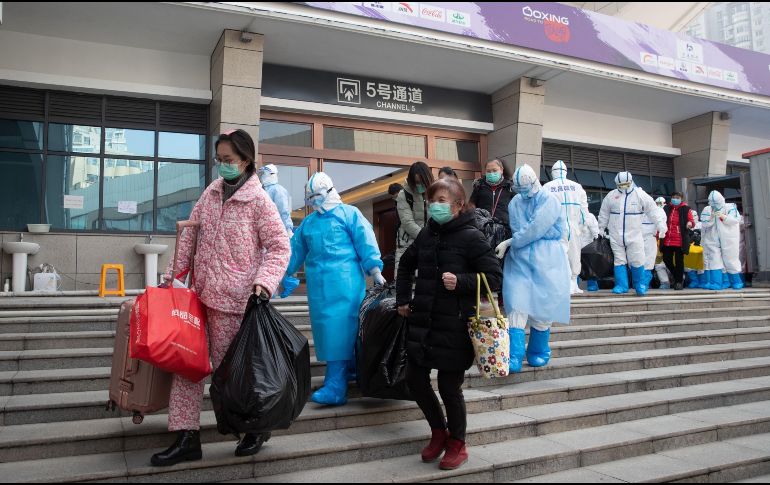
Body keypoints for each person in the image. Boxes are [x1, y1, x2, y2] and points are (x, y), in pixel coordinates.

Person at [151, 129, 291, 467]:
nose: (223, 166)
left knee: (233, 374)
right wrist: (172, 278)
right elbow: (190, 238)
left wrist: (264, 283)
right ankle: (187, 437)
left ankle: (253, 429)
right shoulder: (212, 193)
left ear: (245, 160)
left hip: (235, 302)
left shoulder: (259, 201)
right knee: (187, 367)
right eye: (219, 160)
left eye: (228, 160)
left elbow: (279, 246)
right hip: (198, 298)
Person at [396, 178, 501, 471]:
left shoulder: (472, 237)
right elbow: (405, 264)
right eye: (432, 200)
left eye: (441, 200)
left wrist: (462, 282)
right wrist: (403, 299)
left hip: (455, 325)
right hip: (423, 321)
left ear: (457, 205)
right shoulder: (427, 233)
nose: (435, 206)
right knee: (415, 379)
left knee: (448, 387)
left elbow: (494, 277)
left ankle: (458, 443)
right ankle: (438, 431)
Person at [284, 172, 384, 406]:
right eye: (310, 198)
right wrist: (281, 273)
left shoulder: (349, 214)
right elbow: (294, 251)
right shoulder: (309, 223)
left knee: (340, 329)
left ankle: (336, 386)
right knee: (327, 331)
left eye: (317, 196)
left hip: (346, 285)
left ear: (329, 191)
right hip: (319, 288)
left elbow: (365, 241)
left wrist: (375, 269)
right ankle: (350, 371)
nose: (314, 202)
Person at [495, 164, 570, 373]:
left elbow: (535, 228)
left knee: (542, 306)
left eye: (525, 188)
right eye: (519, 189)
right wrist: (515, 242)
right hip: (520, 257)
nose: (523, 193)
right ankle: (514, 355)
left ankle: (538, 351)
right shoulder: (515, 202)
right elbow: (522, 229)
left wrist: (510, 242)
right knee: (516, 302)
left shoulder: (550, 200)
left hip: (547, 257)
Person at [598, 172, 662, 296]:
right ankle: (621, 285)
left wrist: (660, 225)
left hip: (635, 234)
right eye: (620, 185)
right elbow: (604, 213)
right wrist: (601, 227)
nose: (623, 187)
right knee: (619, 260)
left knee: (637, 259)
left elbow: (653, 211)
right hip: (616, 234)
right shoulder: (611, 196)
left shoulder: (640, 195)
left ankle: (640, 285)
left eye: (626, 184)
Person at [542, 160, 589, 295]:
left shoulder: (547, 187)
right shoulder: (577, 186)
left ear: (553, 172)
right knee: (575, 256)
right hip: (574, 227)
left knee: (560, 256)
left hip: (557, 229)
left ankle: (565, 285)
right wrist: (583, 226)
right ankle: (574, 284)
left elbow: (544, 210)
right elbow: (584, 209)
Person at [395, 162, 434, 275]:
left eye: (423, 182)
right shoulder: (403, 195)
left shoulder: (436, 192)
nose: (420, 185)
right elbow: (407, 222)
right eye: (417, 182)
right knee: (407, 278)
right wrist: (426, 237)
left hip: (431, 240)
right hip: (408, 241)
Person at [700, 190, 744, 290]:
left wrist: (723, 216)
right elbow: (704, 223)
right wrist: (711, 217)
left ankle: (736, 281)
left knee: (730, 259)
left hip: (728, 238)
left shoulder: (730, 207)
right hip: (712, 239)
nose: (714, 205)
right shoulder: (707, 209)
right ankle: (717, 283)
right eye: (712, 203)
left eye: (716, 203)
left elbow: (735, 219)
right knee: (714, 260)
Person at [659, 192, 694, 291]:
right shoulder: (666, 208)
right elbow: (660, 220)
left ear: (681, 199)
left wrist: (689, 223)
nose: (675, 199)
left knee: (679, 261)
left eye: (677, 197)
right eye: (673, 197)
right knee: (666, 259)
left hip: (680, 240)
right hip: (667, 239)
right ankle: (678, 277)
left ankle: (679, 283)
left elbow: (691, 220)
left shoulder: (686, 209)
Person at [469, 159, 514, 229]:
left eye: (494, 170)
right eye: (488, 171)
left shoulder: (510, 187)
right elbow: (471, 204)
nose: (491, 173)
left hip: (505, 229)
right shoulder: (479, 186)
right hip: (482, 228)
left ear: (501, 170)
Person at [257, 164, 294, 237]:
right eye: (261, 174)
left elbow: (284, 211)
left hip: (275, 231)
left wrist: (288, 229)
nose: (262, 176)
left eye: (263, 174)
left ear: (271, 174)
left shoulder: (278, 190)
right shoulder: (262, 190)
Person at [641, 196, 667, 289]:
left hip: (652, 238)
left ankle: (645, 283)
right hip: (638, 238)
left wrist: (662, 232)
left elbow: (662, 224)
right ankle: (641, 283)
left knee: (652, 262)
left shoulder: (658, 212)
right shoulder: (638, 210)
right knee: (638, 261)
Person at [653, 197, 672, 290]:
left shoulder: (671, 211)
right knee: (659, 263)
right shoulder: (652, 211)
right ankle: (664, 282)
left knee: (670, 261)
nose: (659, 204)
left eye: (661, 203)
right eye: (658, 203)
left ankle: (677, 280)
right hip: (656, 240)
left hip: (669, 240)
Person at [581, 211, 601, 292]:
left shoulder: (589, 216)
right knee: (574, 269)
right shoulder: (572, 215)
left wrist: (598, 242)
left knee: (589, 268)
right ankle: (575, 286)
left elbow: (596, 232)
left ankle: (592, 285)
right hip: (576, 247)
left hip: (587, 248)